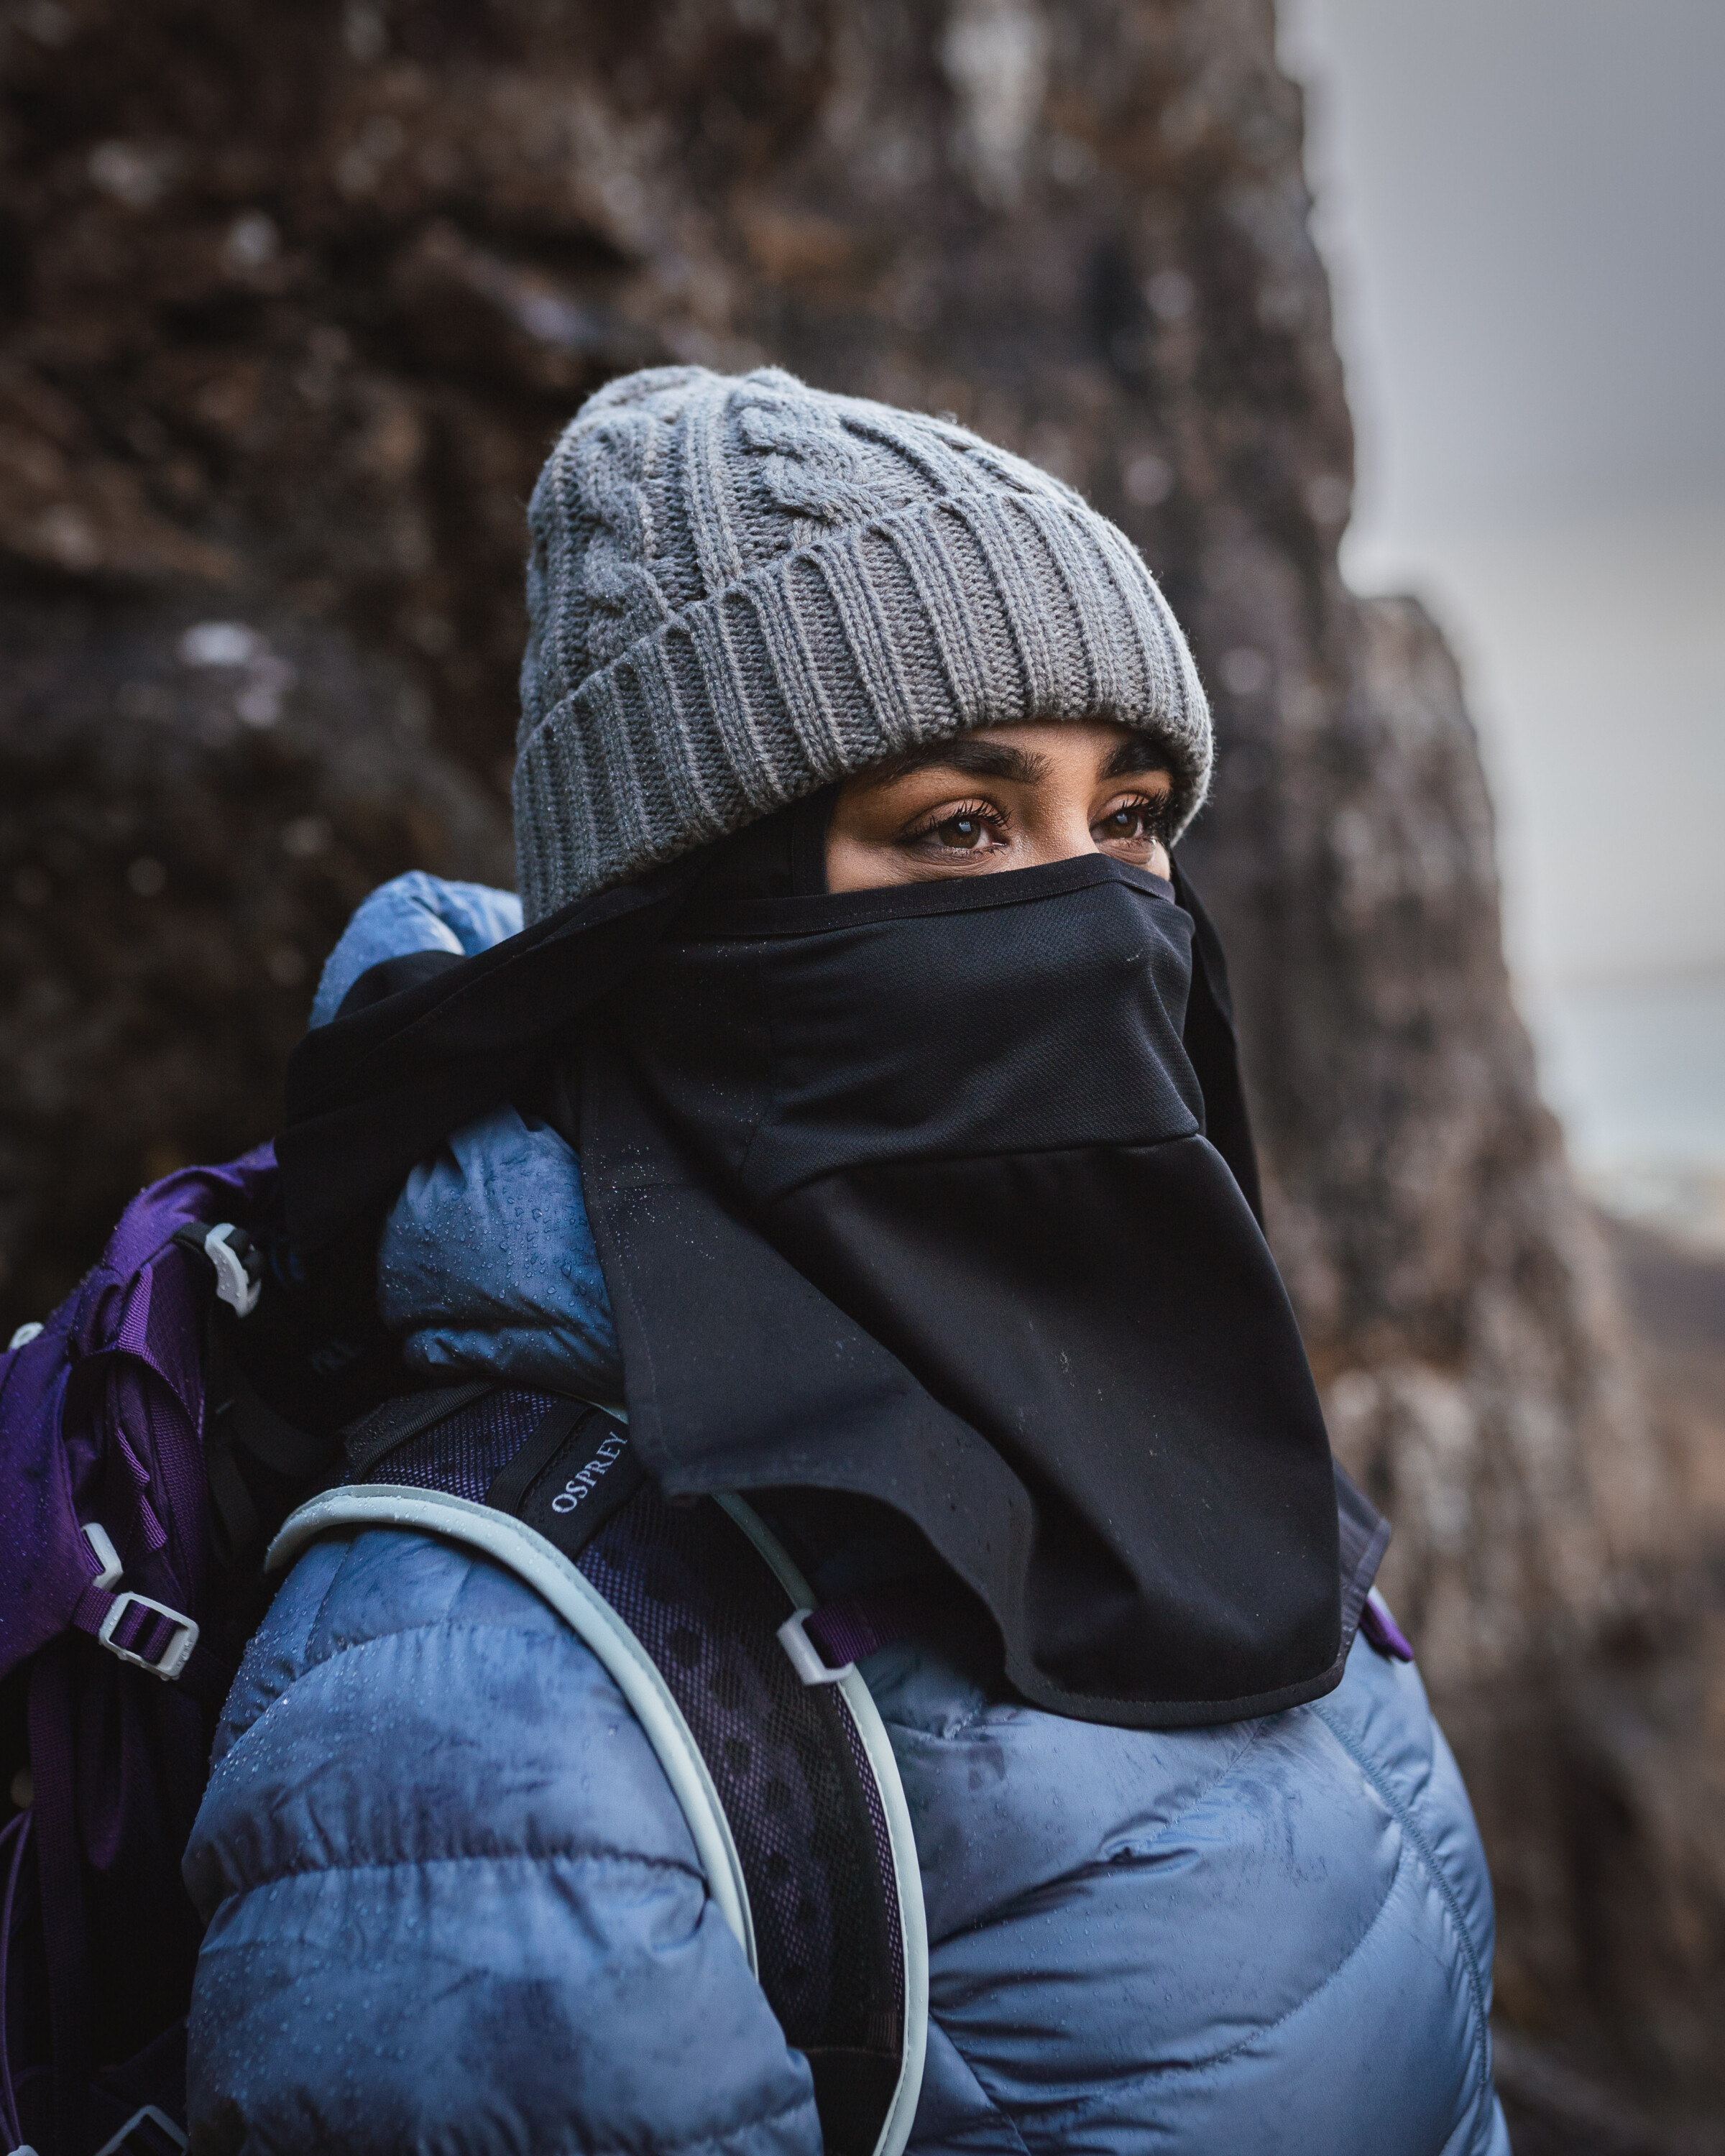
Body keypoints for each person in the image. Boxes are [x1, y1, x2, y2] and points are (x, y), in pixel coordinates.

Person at [183, 366, 1509, 2154]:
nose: (1103, 917)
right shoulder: (477, 1707)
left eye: (1127, 820)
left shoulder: (1156, 1412)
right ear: (702, 915)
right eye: (961, 826)